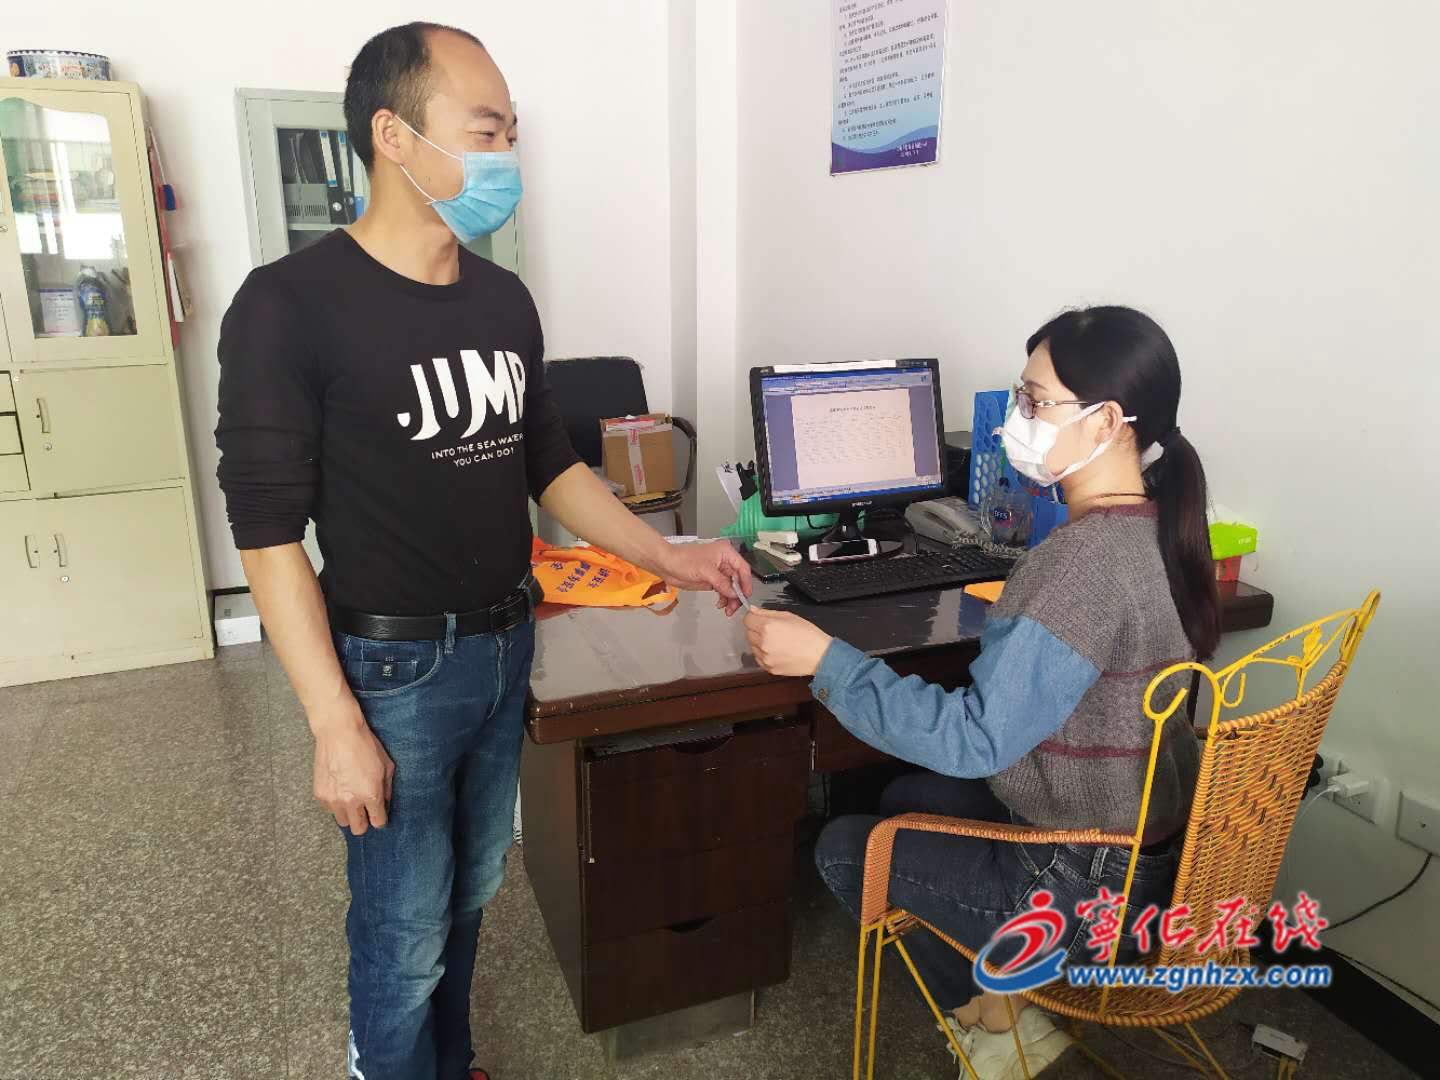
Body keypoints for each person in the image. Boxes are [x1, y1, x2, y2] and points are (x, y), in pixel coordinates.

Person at [214, 23, 751, 1080]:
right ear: (393, 136)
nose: (508, 155)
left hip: (507, 643)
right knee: (402, 926)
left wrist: (666, 557)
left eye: (512, 134)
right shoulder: (288, 306)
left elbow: (551, 466)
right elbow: (267, 534)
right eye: (486, 130)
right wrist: (332, 723)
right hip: (392, 668)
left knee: (469, 894)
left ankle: (448, 1062)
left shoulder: (502, 299)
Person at [744, 306, 1219, 1078]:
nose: (1013, 421)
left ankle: (999, 1023)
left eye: (1035, 401)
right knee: (904, 793)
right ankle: (1006, 997)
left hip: (1080, 886)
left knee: (844, 847)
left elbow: (975, 740)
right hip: (1143, 852)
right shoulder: (1157, 530)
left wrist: (826, 660)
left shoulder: (1081, 563)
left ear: (1106, 422)